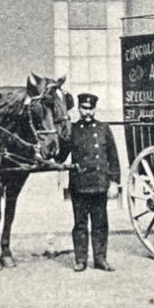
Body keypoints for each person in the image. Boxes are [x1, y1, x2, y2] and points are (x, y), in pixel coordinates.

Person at [63, 92, 122, 272]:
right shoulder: (72, 130)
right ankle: (81, 259)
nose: (88, 112)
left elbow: (113, 157)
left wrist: (114, 182)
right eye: (84, 108)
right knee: (80, 224)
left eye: (91, 109)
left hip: (99, 184)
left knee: (100, 223)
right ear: (79, 109)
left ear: (95, 109)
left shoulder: (104, 128)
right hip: (79, 184)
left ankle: (100, 259)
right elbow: (60, 153)